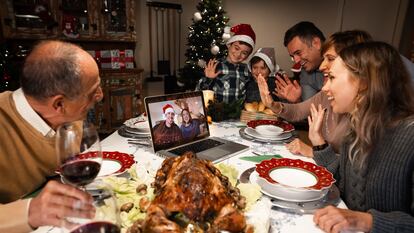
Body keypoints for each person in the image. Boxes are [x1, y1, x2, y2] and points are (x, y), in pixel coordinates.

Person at [310, 41, 414, 232]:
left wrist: (365, 221)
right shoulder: (357, 129)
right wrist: (318, 142)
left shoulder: (409, 136)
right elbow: (343, 184)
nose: (325, 88)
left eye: (332, 78)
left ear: (364, 83)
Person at [0, 40, 102, 232]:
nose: (100, 96)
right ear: (59, 104)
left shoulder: (71, 118)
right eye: (92, 92)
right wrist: (29, 212)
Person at [259, 30, 372, 157]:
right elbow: (298, 111)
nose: (322, 66)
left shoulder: (369, 114)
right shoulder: (326, 94)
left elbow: (354, 167)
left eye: (330, 59)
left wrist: (314, 151)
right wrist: (272, 104)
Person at [196, 23, 256, 103]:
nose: (238, 54)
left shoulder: (247, 69)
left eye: (244, 53)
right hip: (217, 112)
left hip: (238, 113)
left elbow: (250, 90)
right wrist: (208, 78)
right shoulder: (216, 66)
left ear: (247, 56)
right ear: (229, 45)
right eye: (236, 48)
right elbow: (198, 92)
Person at [276, 21, 325, 102]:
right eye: (292, 56)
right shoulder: (306, 72)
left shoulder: (345, 65)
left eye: (298, 53)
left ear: (316, 43)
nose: (296, 61)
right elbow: (308, 108)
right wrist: (297, 101)